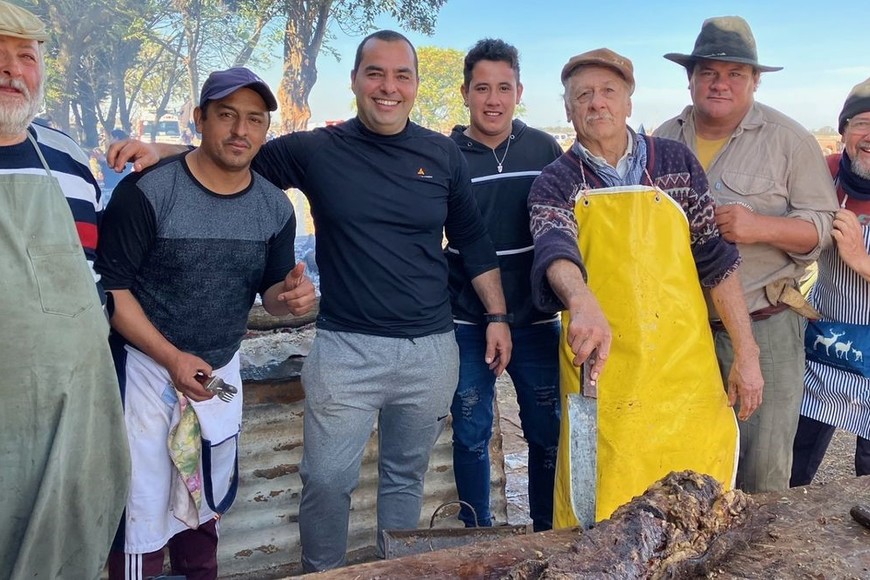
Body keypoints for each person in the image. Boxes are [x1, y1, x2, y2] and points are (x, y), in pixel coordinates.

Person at [107, 30, 511, 573]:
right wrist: (163, 151)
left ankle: (395, 572)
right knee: (325, 482)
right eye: (375, 73)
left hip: (429, 350)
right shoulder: (317, 149)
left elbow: (473, 241)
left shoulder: (440, 154)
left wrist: (498, 316)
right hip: (346, 349)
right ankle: (325, 572)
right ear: (355, 82)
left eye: (401, 75)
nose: (388, 87)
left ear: (415, 85)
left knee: (404, 479)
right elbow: (232, 156)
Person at [96, 67, 317, 579]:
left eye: (255, 120)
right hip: (146, 374)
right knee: (140, 511)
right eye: (226, 115)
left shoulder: (273, 207)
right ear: (200, 119)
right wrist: (171, 358)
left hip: (219, 375)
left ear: (265, 131)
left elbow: (271, 293)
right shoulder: (150, 193)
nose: (240, 131)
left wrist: (291, 299)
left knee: (206, 503)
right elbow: (113, 290)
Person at [529, 48, 763, 527]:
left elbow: (716, 261)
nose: (597, 103)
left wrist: (747, 353)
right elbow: (555, 247)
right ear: (569, 109)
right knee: (598, 513)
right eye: (583, 96)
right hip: (601, 370)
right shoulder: (555, 182)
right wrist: (582, 300)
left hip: (683, 370)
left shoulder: (676, 163)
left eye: (608, 92)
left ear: (629, 102)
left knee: (695, 510)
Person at [657, 16, 838, 493]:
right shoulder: (661, 140)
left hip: (766, 323)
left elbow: (821, 231)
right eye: (708, 72)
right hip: (683, 331)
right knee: (686, 467)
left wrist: (758, 226)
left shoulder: (790, 141)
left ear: (755, 80)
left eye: (735, 73)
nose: (720, 84)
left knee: (761, 470)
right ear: (691, 77)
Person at [0, 2, 130, 578]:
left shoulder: (70, 160)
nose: (11, 71)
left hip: (71, 411)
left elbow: (93, 270)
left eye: (25, 57)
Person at [447, 38, 562, 531]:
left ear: (519, 92)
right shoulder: (444, 154)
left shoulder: (544, 149)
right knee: (471, 432)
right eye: (482, 88)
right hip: (467, 321)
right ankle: (479, 537)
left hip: (536, 319)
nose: (493, 99)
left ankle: (546, 533)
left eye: (503, 88)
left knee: (547, 432)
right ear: (465, 93)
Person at [791, 78, 870, 485]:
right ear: (843, 132)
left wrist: (861, 260)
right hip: (826, 341)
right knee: (792, 469)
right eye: (862, 123)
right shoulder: (825, 176)